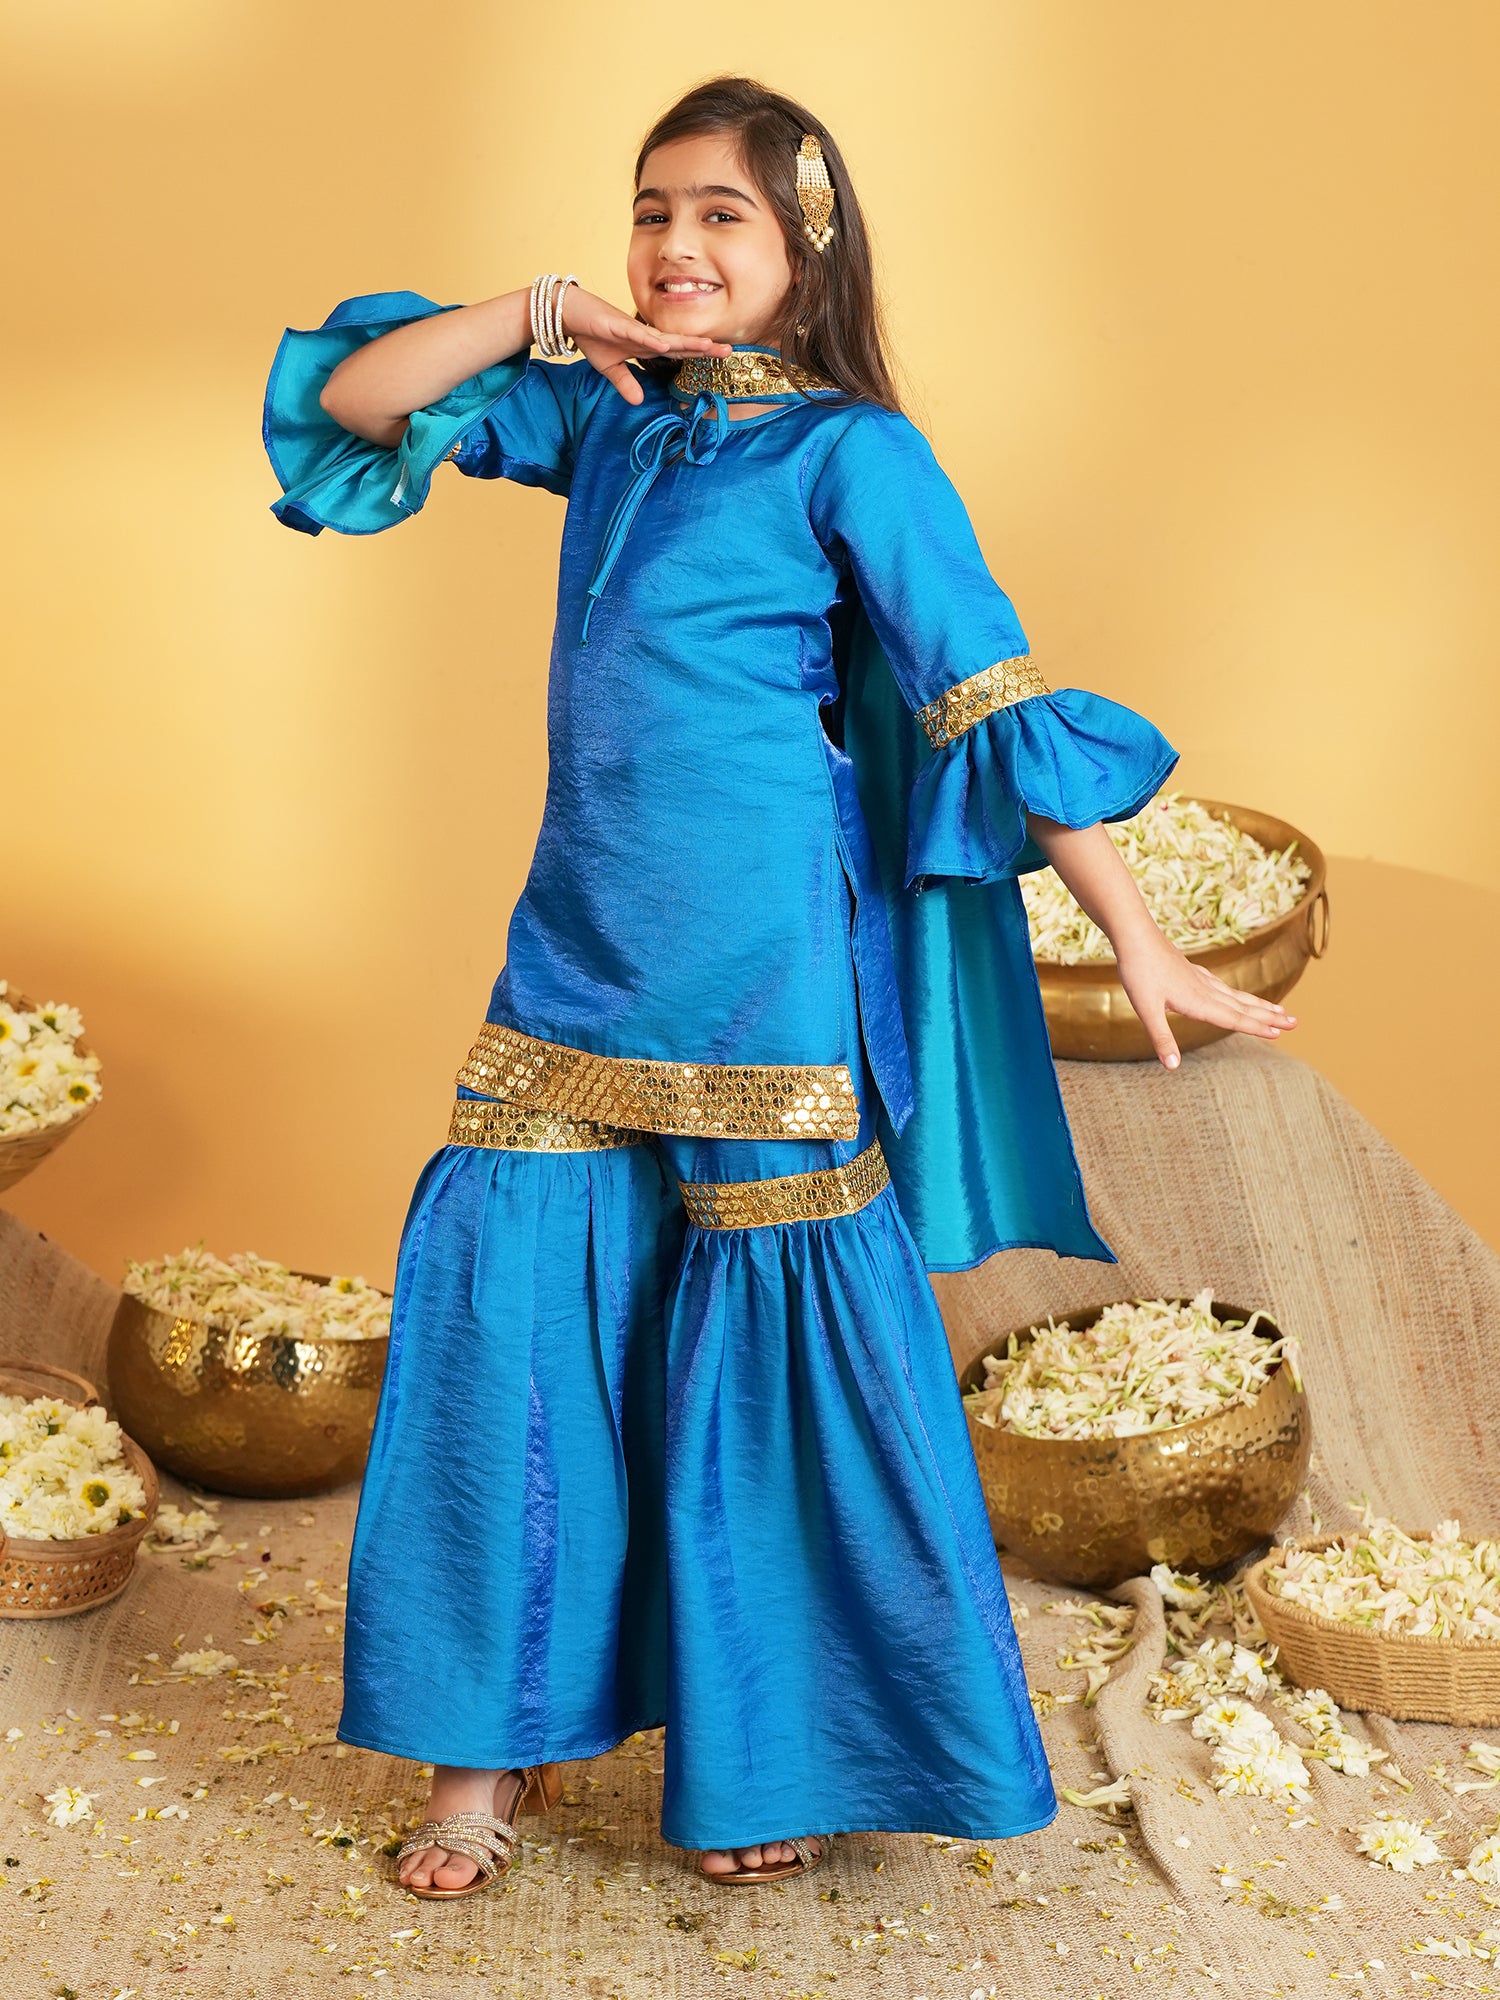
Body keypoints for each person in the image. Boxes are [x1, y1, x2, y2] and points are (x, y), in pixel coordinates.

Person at [262, 75, 1294, 1900]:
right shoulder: (610, 424)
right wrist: (539, 312)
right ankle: (484, 1759)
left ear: (808, 250)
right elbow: (355, 401)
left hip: (765, 976)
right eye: (652, 210)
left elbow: (985, 699)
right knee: (510, 1334)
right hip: (575, 956)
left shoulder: (852, 456)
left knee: (777, 1350)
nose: (675, 245)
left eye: (721, 214)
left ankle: (775, 1747)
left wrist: (1136, 934)